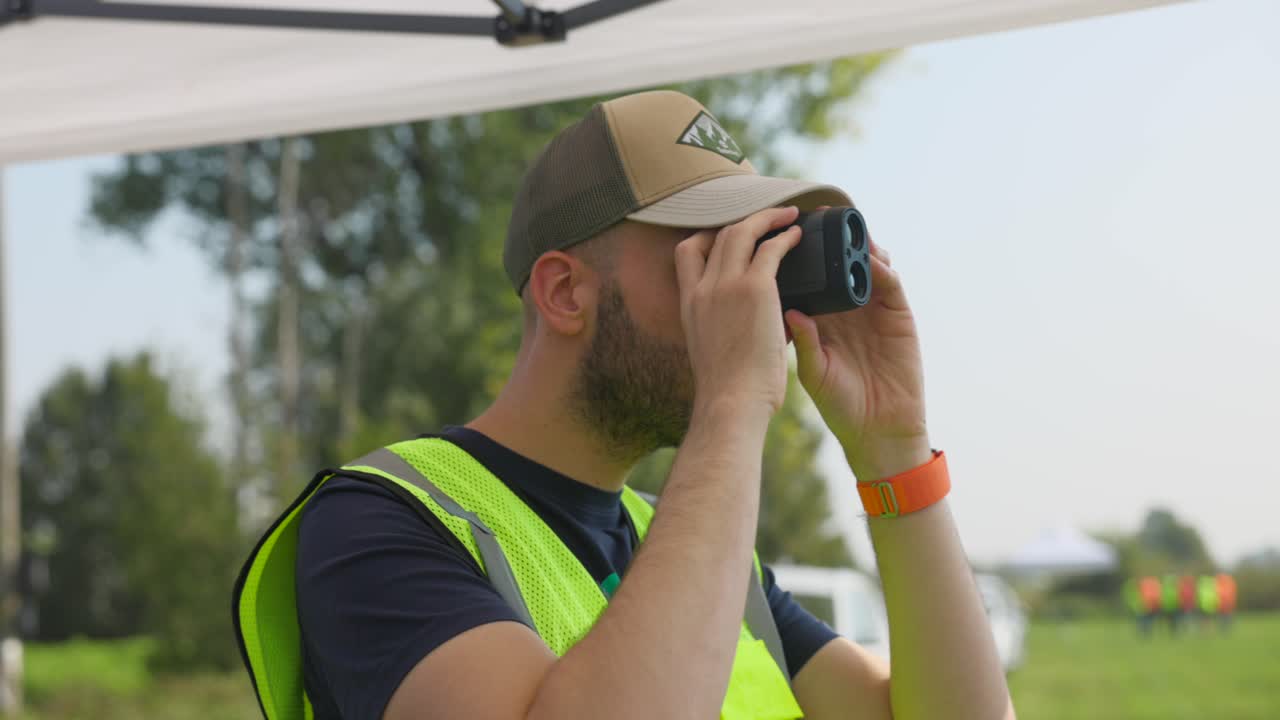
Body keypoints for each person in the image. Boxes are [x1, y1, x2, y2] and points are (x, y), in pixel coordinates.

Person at [234, 90, 1014, 720]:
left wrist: (894, 450)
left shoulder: (711, 563)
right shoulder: (380, 525)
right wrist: (733, 404)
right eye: (709, 252)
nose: (743, 296)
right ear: (566, 292)